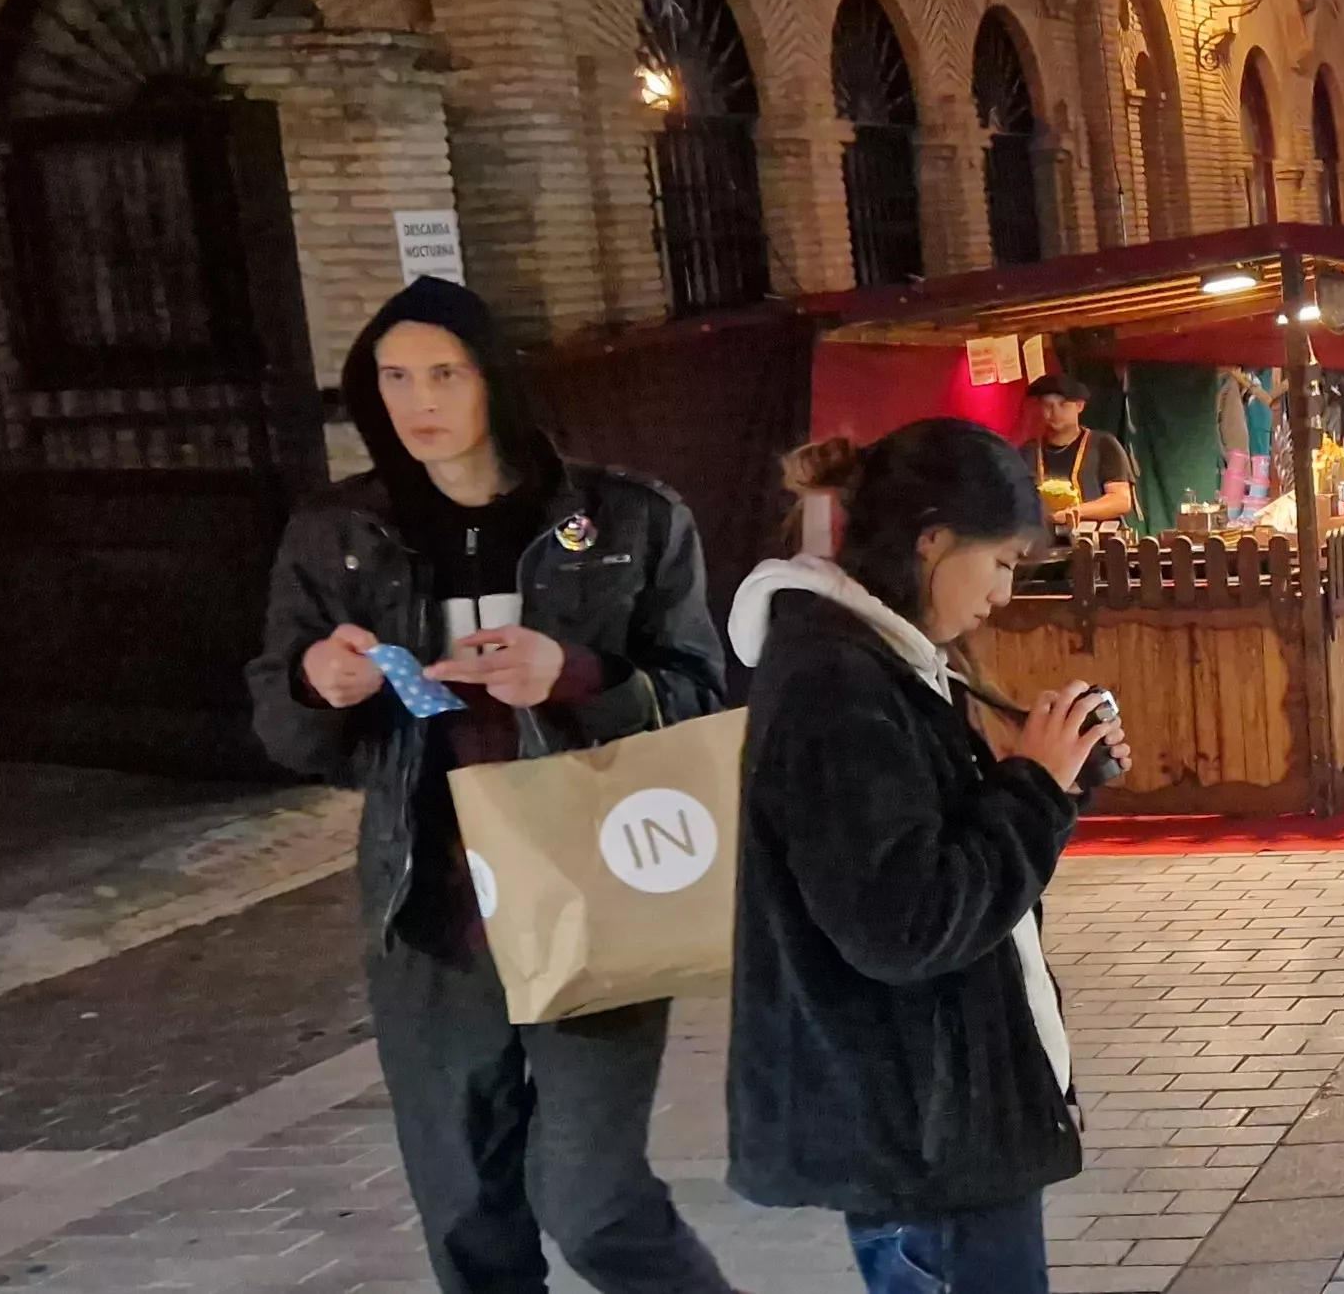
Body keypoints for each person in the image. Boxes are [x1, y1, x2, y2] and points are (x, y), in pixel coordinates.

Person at [248, 276, 736, 1294]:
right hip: (431, 905)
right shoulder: (338, 532)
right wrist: (315, 682)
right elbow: (289, 730)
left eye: (444, 373)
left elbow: (701, 695)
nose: (417, 400)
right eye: (393, 378)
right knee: (468, 1213)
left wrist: (578, 674)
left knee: (592, 1200)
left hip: (594, 893)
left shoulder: (629, 518)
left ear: (496, 381)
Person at [728, 420, 1124, 1294]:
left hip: (938, 1125)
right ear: (933, 539)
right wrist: (1035, 788)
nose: (1004, 593)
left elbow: (940, 859)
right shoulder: (837, 684)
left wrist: (1050, 779)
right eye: (1002, 562)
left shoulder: (881, 660)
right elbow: (907, 922)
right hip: (922, 1137)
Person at [1021, 372, 1136, 535]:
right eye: (1047, 405)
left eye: (1063, 404)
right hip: (1044, 542)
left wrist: (1076, 511)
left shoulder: (1103, 444)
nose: (1055, 412)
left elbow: (1120, 500)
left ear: (1080, 406)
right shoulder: (1028, 452)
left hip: (1096, 540)